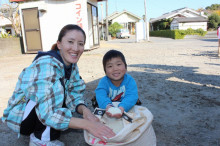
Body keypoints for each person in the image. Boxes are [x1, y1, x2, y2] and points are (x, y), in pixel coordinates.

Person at [2, 24, 115, 146]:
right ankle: (40, 140)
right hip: (21, 118)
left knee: (62, 92)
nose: (76, 48)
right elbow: (48, 113)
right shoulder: (47, 65)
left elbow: (74, 93)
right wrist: (88, 125)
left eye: (80, 44)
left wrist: (85, 111)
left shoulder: (71, 65)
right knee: (57, 91)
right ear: (59, 44)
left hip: (39, 112)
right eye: (70, 42)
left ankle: (44, 133)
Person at [95, 50, 139, 118]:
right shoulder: (104, 82)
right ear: (105, 71)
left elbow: (132, 96)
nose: (115, 69)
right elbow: (100, 95)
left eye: (118, 64)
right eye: (110, 66)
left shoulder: (129, 81)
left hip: (126, 107)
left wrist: (122, 107)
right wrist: (108, 106)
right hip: (107, 108)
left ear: (125, 67)